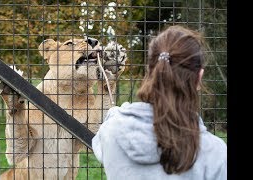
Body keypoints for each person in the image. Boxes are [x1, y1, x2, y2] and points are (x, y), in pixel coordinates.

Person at [92, 25, 227, 180]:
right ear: (199, 77)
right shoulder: (216, 154)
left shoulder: (112, 131)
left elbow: (103, 132)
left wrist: (117, 113)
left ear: (150, 71)